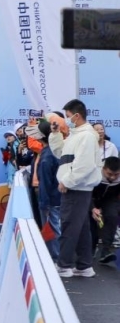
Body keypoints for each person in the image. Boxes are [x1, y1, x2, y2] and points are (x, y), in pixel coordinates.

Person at [49, 99, 101, 278]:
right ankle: (84, 265)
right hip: (77, 187)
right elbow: (60, 153)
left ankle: (64, 265)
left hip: (76, 188)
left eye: (68, 116)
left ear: (77, 116)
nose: (66, 119)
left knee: (69, 226)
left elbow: (84, 165)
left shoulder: (86, 136)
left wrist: (67, 182)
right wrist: (55, 134)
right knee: (80, 227)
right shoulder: (76, 135)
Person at [30, 120, 61, 262]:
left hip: (51, 199)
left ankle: (55, 258)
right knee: (55, 228)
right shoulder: (54, 151)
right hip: (57, 196)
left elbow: (45, 183)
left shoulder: (47, 156)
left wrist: (44, 204)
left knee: (52, 229)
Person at [92, 156, 120, 264]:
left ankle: (105, 250)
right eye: (109, 174)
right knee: (91, 223)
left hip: (109, 199)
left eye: (116, 174)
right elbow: (86, 193)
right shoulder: (94, 173)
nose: (112, 177)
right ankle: (90, 249)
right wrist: (92, 208)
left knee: (112, 217)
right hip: (91, 197)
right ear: (103, 169)